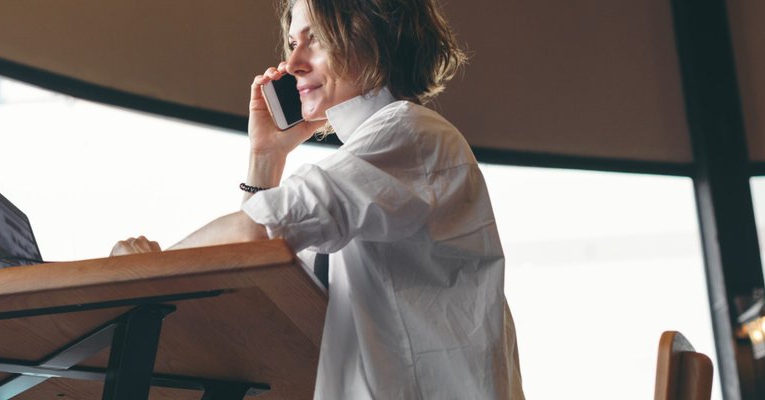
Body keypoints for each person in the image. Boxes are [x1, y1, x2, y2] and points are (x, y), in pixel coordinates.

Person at [112, 0, 524, 398]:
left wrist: (143, 269)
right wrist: (266, 157)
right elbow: (260, 271)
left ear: (374, 35)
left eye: (317, 39)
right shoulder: (369, 165)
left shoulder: (408, 133)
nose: (293, 63)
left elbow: (258, 233)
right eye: (293, 43)